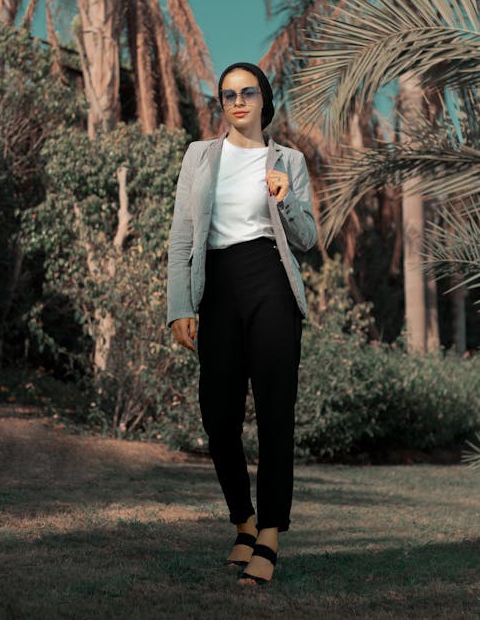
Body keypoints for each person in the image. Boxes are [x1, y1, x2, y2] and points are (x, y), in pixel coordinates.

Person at [167, 62, 317, 587]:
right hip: (219, 283)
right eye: (228, 94)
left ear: (263, 99)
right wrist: (180, 305)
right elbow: (183, 237)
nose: (237, 101)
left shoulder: (289, 161)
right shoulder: (200, 156)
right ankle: (243, 521)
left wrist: (287, 198)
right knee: (218, 414)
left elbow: (307, 239)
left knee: (276, 411)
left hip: (270, 282)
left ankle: (271, 534)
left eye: (247, 92)